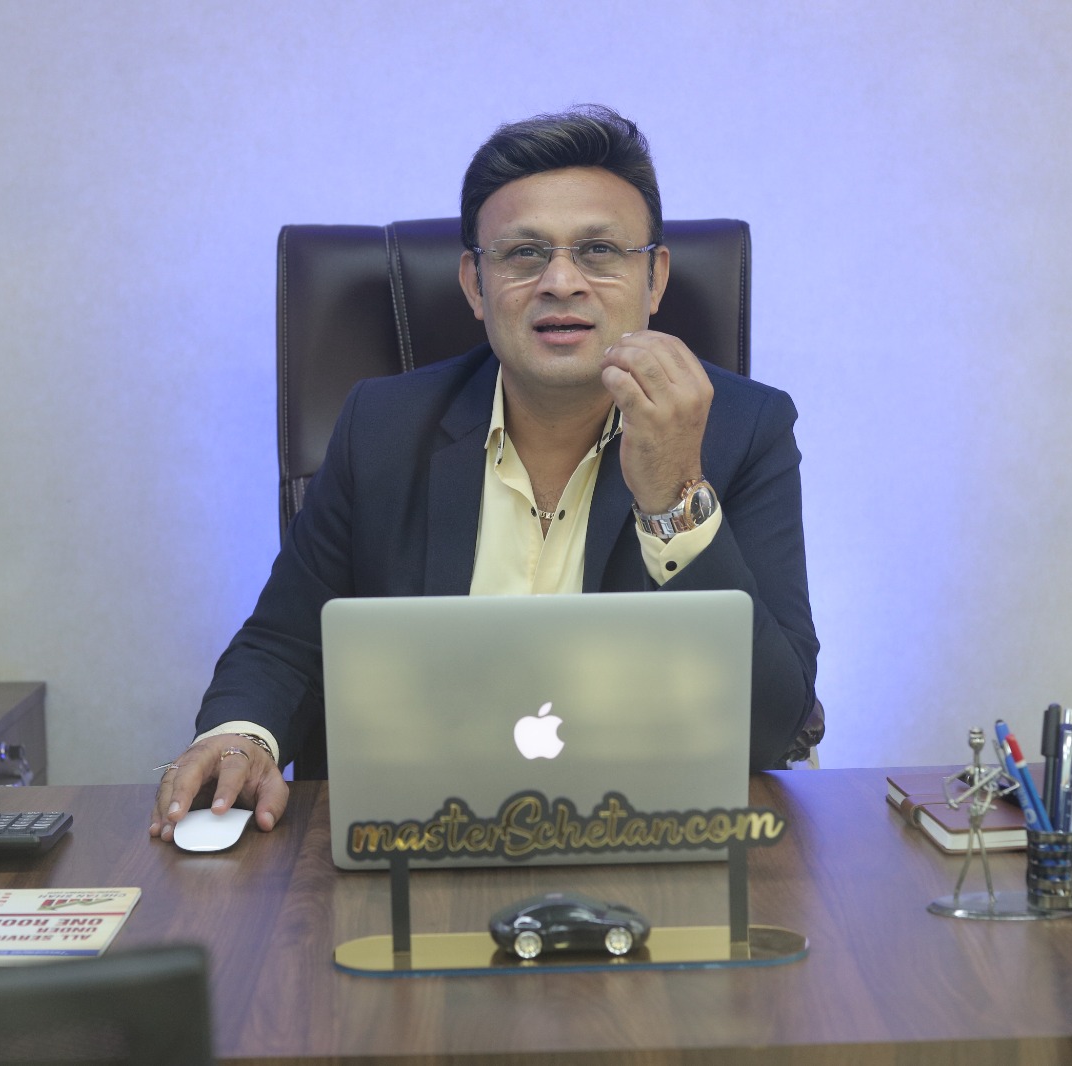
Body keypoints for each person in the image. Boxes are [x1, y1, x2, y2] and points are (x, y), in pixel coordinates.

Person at [151, 105, 819, 842]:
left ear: (654, 276)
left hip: (648, 843)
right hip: (413, 841)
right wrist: (241, 737)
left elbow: (771, 726)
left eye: (598, 250)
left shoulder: (742, 430)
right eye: (524, 254)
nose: (561, 282)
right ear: (474, 282)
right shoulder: (381, 425)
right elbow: (284, 641)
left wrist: (672, 495)